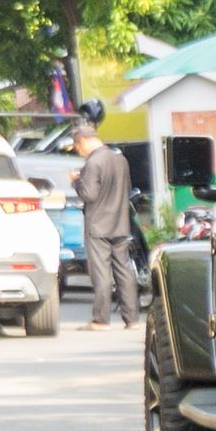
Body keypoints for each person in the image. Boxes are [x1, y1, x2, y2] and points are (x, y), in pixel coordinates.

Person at [74, 118, 136, 331]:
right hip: (120, 223)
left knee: (101, 273)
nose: (78, 150)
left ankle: (101, 320)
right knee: (124, 271)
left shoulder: (93, 163)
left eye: (77, 146)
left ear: (84, 141)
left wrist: (76, 181)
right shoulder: (121, 160)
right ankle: (132, 319)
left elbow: (89, 194)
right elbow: (127, 188)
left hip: (98, 225)